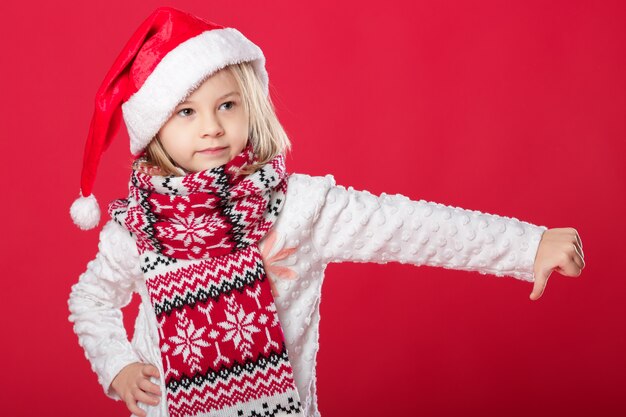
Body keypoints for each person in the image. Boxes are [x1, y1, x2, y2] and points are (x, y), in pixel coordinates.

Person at [67, 6, 585, 417]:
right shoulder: (136, 229)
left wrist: (527, 245)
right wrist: (118, 365)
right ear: (155, 126)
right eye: (186, 111)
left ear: (251, 105)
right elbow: (91, 298)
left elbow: (408, 228)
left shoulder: (299, 208)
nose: (211, 127)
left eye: (227, 104)